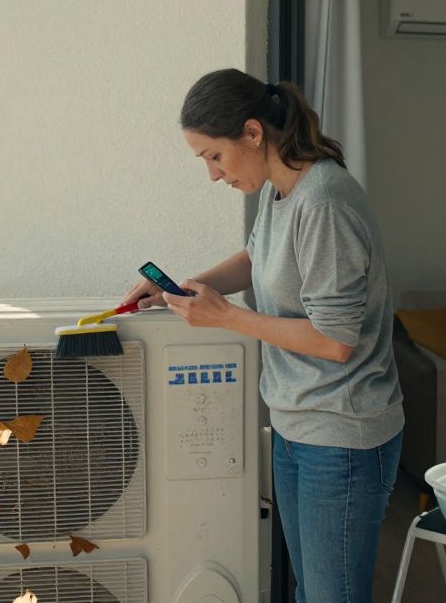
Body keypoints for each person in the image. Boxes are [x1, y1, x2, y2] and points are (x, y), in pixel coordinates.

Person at [122, 68, 404, 602]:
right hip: (298, 425)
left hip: (342, 433)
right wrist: (186, 289)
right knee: (310, 593)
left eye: (213, 156)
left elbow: (335, 341)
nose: (212, 175)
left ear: (253, 133)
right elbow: (260, 259)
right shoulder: (280, 192)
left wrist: (226, 318)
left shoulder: (324, 201)